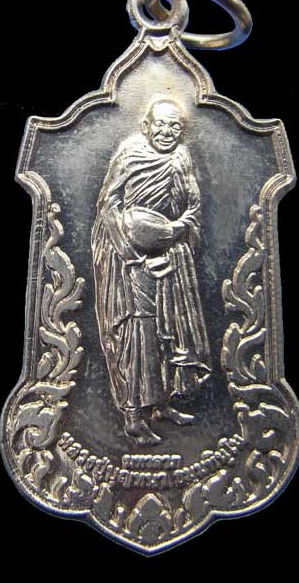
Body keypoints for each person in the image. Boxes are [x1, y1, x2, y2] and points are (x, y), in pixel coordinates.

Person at [91, 99, 211, 445]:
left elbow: (193, 204)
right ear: (146, 126)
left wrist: (176, 230)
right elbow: (108, 205)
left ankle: (161, 404)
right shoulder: (129, 153)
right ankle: (133, 416)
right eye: (160, 124)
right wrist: (132, 254)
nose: (167, 132)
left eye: (175, 126)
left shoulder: (182, 157)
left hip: (171, 251)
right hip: (130, 258)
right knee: (139, 332)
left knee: (167, 328)